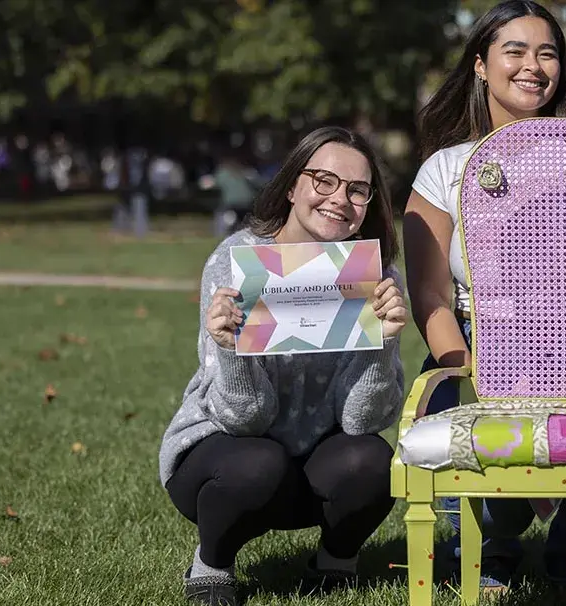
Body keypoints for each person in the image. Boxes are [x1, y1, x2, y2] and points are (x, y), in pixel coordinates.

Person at [402, 0, 566, 592]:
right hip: (474, 344)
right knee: (478, 465)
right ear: (480, 65)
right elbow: (429, 295)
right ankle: (486, 548)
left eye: (547, 52)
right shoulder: (443, 171)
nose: (532, 66)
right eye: (514, 51)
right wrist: (463, 371)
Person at [158, 126, 407, 606]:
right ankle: (212, 565)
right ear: (292, 185)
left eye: (358, 190)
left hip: (317, 462)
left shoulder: (374, 276)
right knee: (258, 463)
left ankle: (336, 560)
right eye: (324, 181)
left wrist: (384, 346)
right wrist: (230, 349)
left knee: (372, 459)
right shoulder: (236, 259)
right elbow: (242, 419)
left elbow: (362, 421)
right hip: (224, 456)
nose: (340, 199)